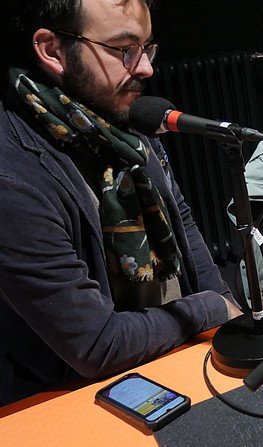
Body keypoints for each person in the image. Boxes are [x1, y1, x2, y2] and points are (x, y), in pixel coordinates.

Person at [0, 0, 242, 406]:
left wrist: (227, 315)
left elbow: (184, 227)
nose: (145, 68)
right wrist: (211, 308)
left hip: (170, 353)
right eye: (123, 49)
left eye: (146, 48)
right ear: (52, 50)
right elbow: (96, 345)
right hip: (71, 399)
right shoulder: (12, 177)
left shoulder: (120, 124)